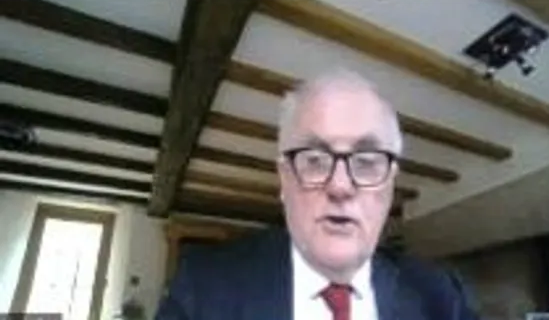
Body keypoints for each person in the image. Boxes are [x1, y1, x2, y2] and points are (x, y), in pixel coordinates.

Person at [155, 70, 478, 320]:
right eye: (314, 160)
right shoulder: (203, 285)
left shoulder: (439, 295)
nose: (340, 186)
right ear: (284, 180)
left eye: (367, 162)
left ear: (390, 185)